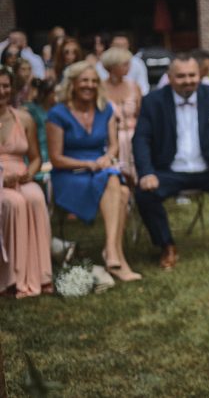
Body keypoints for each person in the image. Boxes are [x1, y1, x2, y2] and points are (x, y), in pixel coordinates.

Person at [132, 53, 209, 269]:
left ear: (199, 75)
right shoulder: (153, 101)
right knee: (144, 195)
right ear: (170, 77)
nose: (188, 80)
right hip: (170, 170)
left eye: (192, 75)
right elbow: (141, 139)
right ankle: (167, 245)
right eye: (181, 76)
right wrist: (146, 172)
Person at [46, 61, 140, 281]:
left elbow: (114, 144)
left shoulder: (104, 108)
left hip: (101, 168)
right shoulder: (57, 114)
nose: (89, 85)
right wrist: (88, 164)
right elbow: (55, 158)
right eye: (84, 80)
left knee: (119, 186)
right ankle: (115, 256)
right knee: (118, 186)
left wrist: (107, 157)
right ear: (73, 84)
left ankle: (113, 253)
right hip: (70, 174)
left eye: (93, 81)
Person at [0, 67, 53, 298]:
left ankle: (40, 275)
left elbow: (35, 158)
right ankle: (10, 278)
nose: (2, 91)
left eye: (5, 85)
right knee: (13, 203)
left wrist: (29, 173)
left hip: (21, 176)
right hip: (2, 181)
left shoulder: (23, 118)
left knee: (35, 197)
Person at [101, 47, 143, 186]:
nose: (129, 67)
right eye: (124, 64)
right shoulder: (99, 88)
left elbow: (140, 112)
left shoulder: (133, 86)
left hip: (133, 134)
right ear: (112, 66)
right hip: (110, 136)